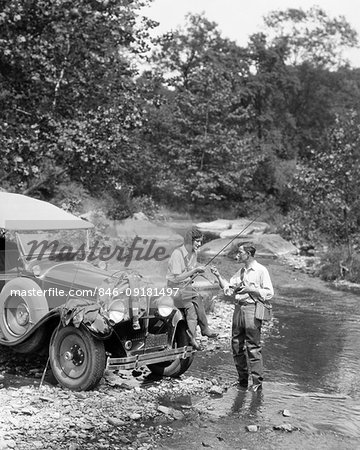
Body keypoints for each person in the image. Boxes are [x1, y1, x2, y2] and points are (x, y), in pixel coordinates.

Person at [211, 243, 274, 391]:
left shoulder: (261, 270)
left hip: (252, 309)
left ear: (249, 254)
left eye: (240, 253)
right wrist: (218, 275)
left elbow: (269, 293)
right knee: (236, 345)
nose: (237, 256)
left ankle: (257, 384)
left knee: (253, 347)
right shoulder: (241, 271)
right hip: (238, 309)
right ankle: (243, 381)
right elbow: (228, 289)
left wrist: (251, 289)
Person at [166, 227, 218, 350]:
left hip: (185, 289)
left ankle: (192, 338)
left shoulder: (194, 254)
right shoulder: (177, 254)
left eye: (201, 242)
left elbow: (189, 273)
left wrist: (200, 272)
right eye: (197, 241)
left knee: (191, 309)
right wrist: (194, 270)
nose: (199, 244)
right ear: (189, 241)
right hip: (173, 288)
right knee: (196, 296)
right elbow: (177, 278)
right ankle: (205, 329)